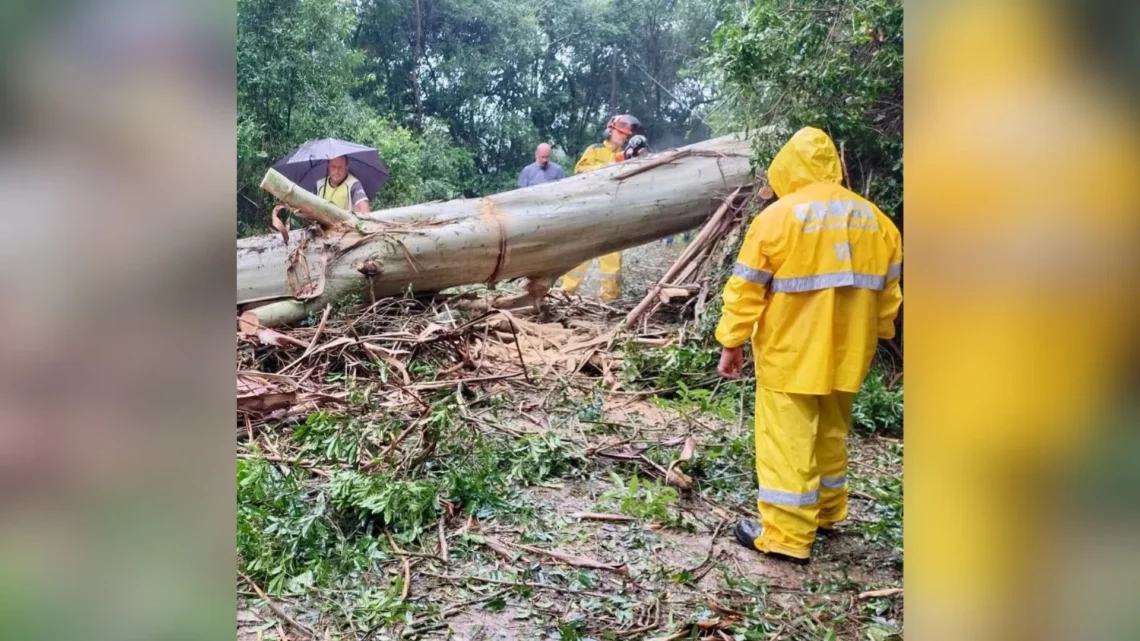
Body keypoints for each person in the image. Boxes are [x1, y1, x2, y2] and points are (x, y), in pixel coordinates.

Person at [715, 126, 902, 563]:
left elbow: (746, 290)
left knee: (789, 442)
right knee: (831, 435)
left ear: (788, 166)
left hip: (791, 355)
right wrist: (877, 336)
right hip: (849, 355)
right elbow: (889, 297)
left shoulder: (778, 219)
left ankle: (785, 536)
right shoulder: (876, 220)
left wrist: (732, 343)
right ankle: (827, 513)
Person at [559, 114, 649, 303]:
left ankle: (609, 299)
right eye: (620, 133)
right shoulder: (596, 150)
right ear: (610, 131)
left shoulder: (628, 156)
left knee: (612, 259)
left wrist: (636, 157)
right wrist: (616, 160)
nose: (623, 137)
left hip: (614, 212)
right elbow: (581, 171)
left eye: (626, 135)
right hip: (591, 210)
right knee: (581, 256)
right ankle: (566, 293)